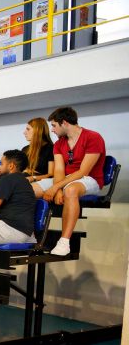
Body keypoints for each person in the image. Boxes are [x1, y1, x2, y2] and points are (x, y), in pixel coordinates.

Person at [33, 107, 107, 256]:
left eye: (54, 125)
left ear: (64, 123)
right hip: (65, 179)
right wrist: (58, 189)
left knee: (71, 190)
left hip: (89, 179)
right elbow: (59, 170)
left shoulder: (93, 137)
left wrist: (56, 188)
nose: (52, 129)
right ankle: (29, 233)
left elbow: (83, 172)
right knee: (29, 190)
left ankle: (64, 242)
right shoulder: (59, 144)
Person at [0, 117, 54, 197]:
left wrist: (33, 178)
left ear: (37, 131)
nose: (24, 132)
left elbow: (51, 174)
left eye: (28, 129)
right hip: (21, 179)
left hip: (35, 182)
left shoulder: (51, 148)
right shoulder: (25, 149)